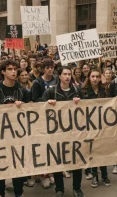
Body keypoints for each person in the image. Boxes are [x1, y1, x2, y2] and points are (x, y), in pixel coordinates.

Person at [0, 59, 30, 197]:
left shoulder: (22, 90)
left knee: (17, 162)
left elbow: (31, 109)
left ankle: (19, 192)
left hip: (18, 133)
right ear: (3, 72)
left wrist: (24, 105)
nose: (13, 72)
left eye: (15, 69)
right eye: (10, 69)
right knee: (0, 162)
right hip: (0, 133)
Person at [42, 66, 85, 197]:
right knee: (58, 161)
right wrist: (47, 103)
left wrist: (80, 102)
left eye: (69, 74)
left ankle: (77, 188)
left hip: (74, 131)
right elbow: (39, 105)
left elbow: (89, 106)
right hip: (57, 132)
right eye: (65, 74)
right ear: (59, 76)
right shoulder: (51, 91)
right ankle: (59, 189)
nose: (67, 76)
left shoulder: (77, 90)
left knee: (77, 160)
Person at [81, 69, 112, 188]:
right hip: (89, 125)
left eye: (97, 76)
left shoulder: (105, 90)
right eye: (92, 76)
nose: (95, 78)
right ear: (89, 78)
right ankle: (94, 175)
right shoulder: (83, 91)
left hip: (102, 125)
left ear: (100, 78)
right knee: (92, 150)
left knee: (102, 149)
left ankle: (104, 175)